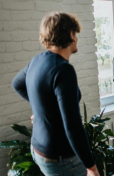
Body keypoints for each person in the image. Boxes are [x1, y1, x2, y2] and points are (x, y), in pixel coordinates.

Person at [12, 12, 99, 176]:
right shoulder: (63, 70)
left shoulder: (38, 60)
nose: (77, 38)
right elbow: (73, 126)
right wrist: (91, 167)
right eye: (76, 33)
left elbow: (17, 84)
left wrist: (41, 110)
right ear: (70, 35)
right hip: (60, 157)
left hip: (38, 148)